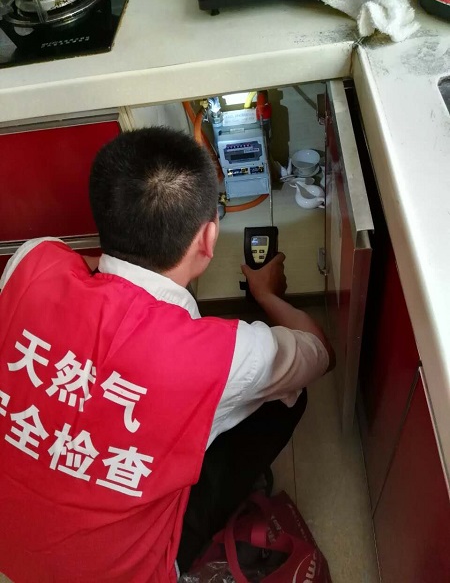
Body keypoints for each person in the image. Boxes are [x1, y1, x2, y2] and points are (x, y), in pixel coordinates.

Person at [0, 126, 334, 583]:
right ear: (209, 239)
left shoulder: (33, 261)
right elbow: (319, 351)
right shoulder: (220, 354)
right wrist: (267, 295)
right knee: (286, 397)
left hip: (10, 553)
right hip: (134, 574)